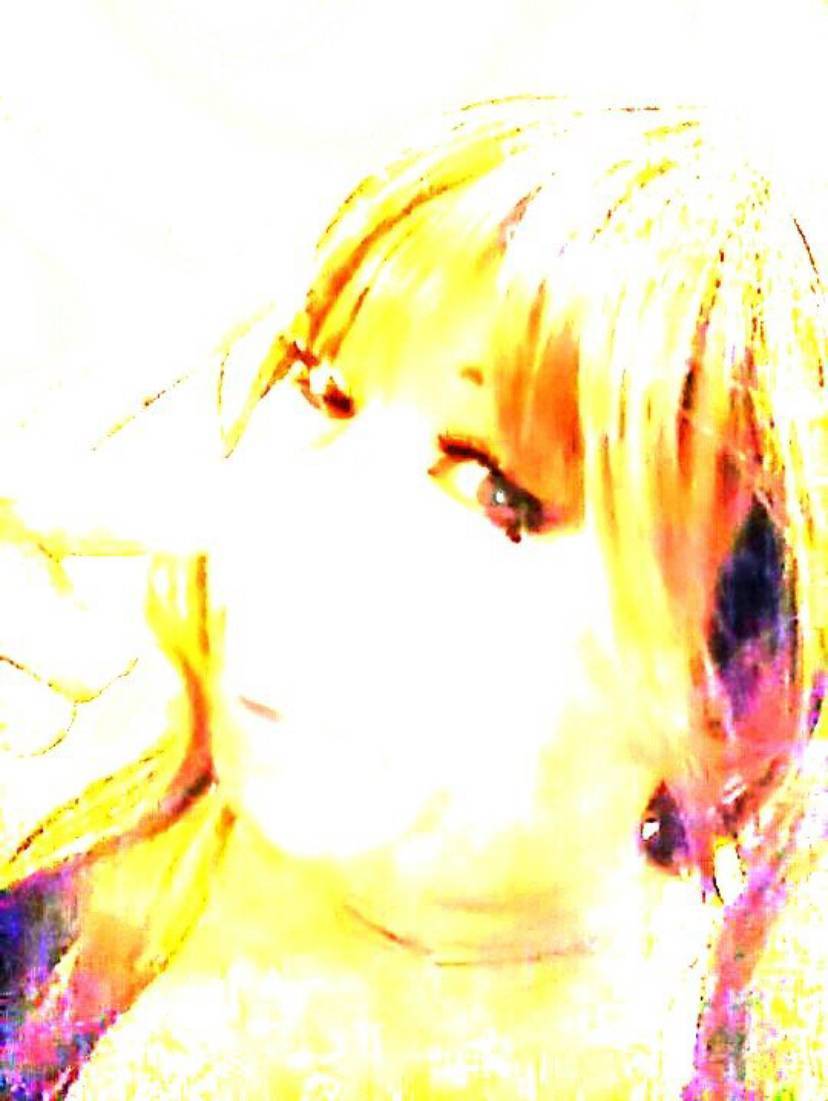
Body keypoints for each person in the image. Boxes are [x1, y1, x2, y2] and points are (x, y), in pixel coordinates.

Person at [0, 97, 826, 1099]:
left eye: (496, 490)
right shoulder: (98, 872)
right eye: (324, 391)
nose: (311, 512)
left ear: (727, 698)